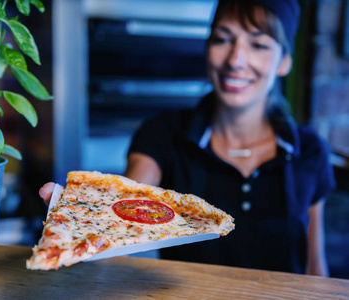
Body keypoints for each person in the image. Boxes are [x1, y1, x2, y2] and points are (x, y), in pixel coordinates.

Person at [40, 0, 336, 276]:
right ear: (207, 48)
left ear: (284, 61)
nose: (236, 60)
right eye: (222, 39)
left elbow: (314, 266)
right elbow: (125, 204)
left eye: (258, 44)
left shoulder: (309, 151)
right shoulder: (163, 134)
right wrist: (81, 215)